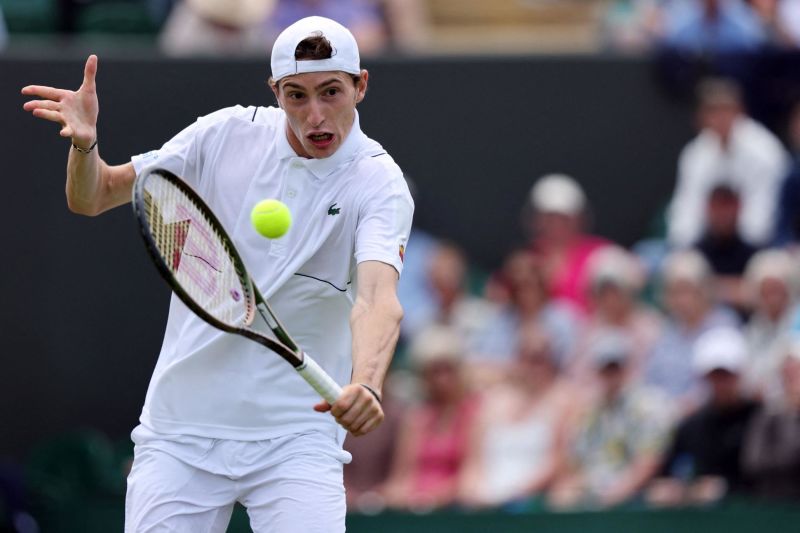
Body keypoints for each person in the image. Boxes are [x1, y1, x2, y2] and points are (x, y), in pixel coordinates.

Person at [21, 16, 413, 533]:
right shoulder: (224, 134)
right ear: (274, 91)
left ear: (360, 86)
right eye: (296, 96)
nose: (315, 115)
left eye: (331, 92)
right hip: (181, 432)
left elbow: (377, 299)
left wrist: (366, 383)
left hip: (296, 438)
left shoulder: (379, 184)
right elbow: (94, 197)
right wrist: (85, 145)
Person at [548, 332, 673, 510]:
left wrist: (613, 495)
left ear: (628, 367)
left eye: (615, 367)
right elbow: (575, 464)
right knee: (560, 498)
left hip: (635, 493)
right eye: (605, 368)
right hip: (594, 490)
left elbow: (648, 462)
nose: (610, 373)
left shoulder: (649, 407)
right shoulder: (589, 412)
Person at [458, 326, 574, 510]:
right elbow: (474, 463)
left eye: (539, 358)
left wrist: (514, 493)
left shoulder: (565, 401)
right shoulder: (492, 403)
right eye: (527, 357)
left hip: (532, 501)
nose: (533, 366)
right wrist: (471, 492)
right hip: (486, 499)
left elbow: (559, 461)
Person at [666, 78, 789, 249]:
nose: (720, 118)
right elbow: (686, 211)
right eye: (712, 111)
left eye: (726, 110)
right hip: (708, 246)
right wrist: (686, 245)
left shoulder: (764, 152)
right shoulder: (695, 153)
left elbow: (763, 219)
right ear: (701, 117)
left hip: (760, 246)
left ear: (740, 112)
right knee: (681, 268)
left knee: (768, 271)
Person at [648, 327, 760, 507]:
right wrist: (677, 490)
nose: (720, 383)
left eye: (726, 375)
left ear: (739, 374)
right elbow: (667, 475)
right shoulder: (692, 426)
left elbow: (767, 478)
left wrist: (726, 487)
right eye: (715, 376)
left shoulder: (760, 418)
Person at [381, 326, 481, 512]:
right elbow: (402, 476)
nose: (442, 379)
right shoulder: (416, 418)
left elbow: (471, 473)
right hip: (414, 508)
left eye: (447, 370)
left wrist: (434, 498)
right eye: (434, 372)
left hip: (454, 510)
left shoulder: (474, 414)